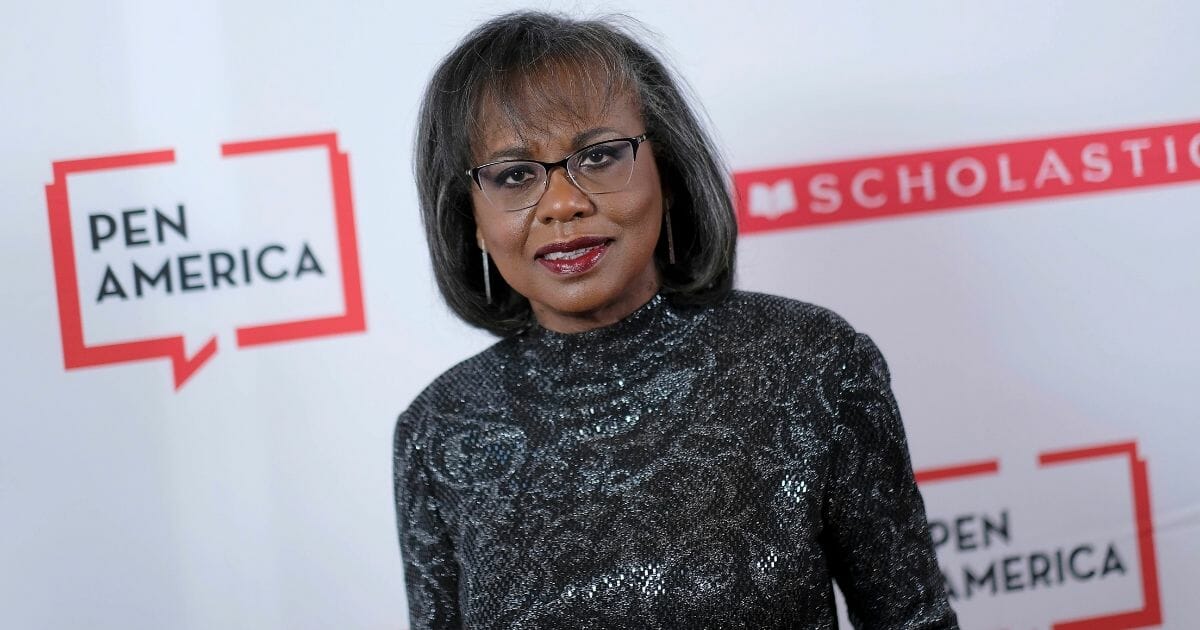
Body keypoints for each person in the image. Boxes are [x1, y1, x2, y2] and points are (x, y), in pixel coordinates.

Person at [394, 11, 958, 629]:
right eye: (513, 175)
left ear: (667, 170)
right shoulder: (439, 430)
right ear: (471, 216)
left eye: (601, 155)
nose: (563, 203)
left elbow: (914, 620)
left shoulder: (811, 363)